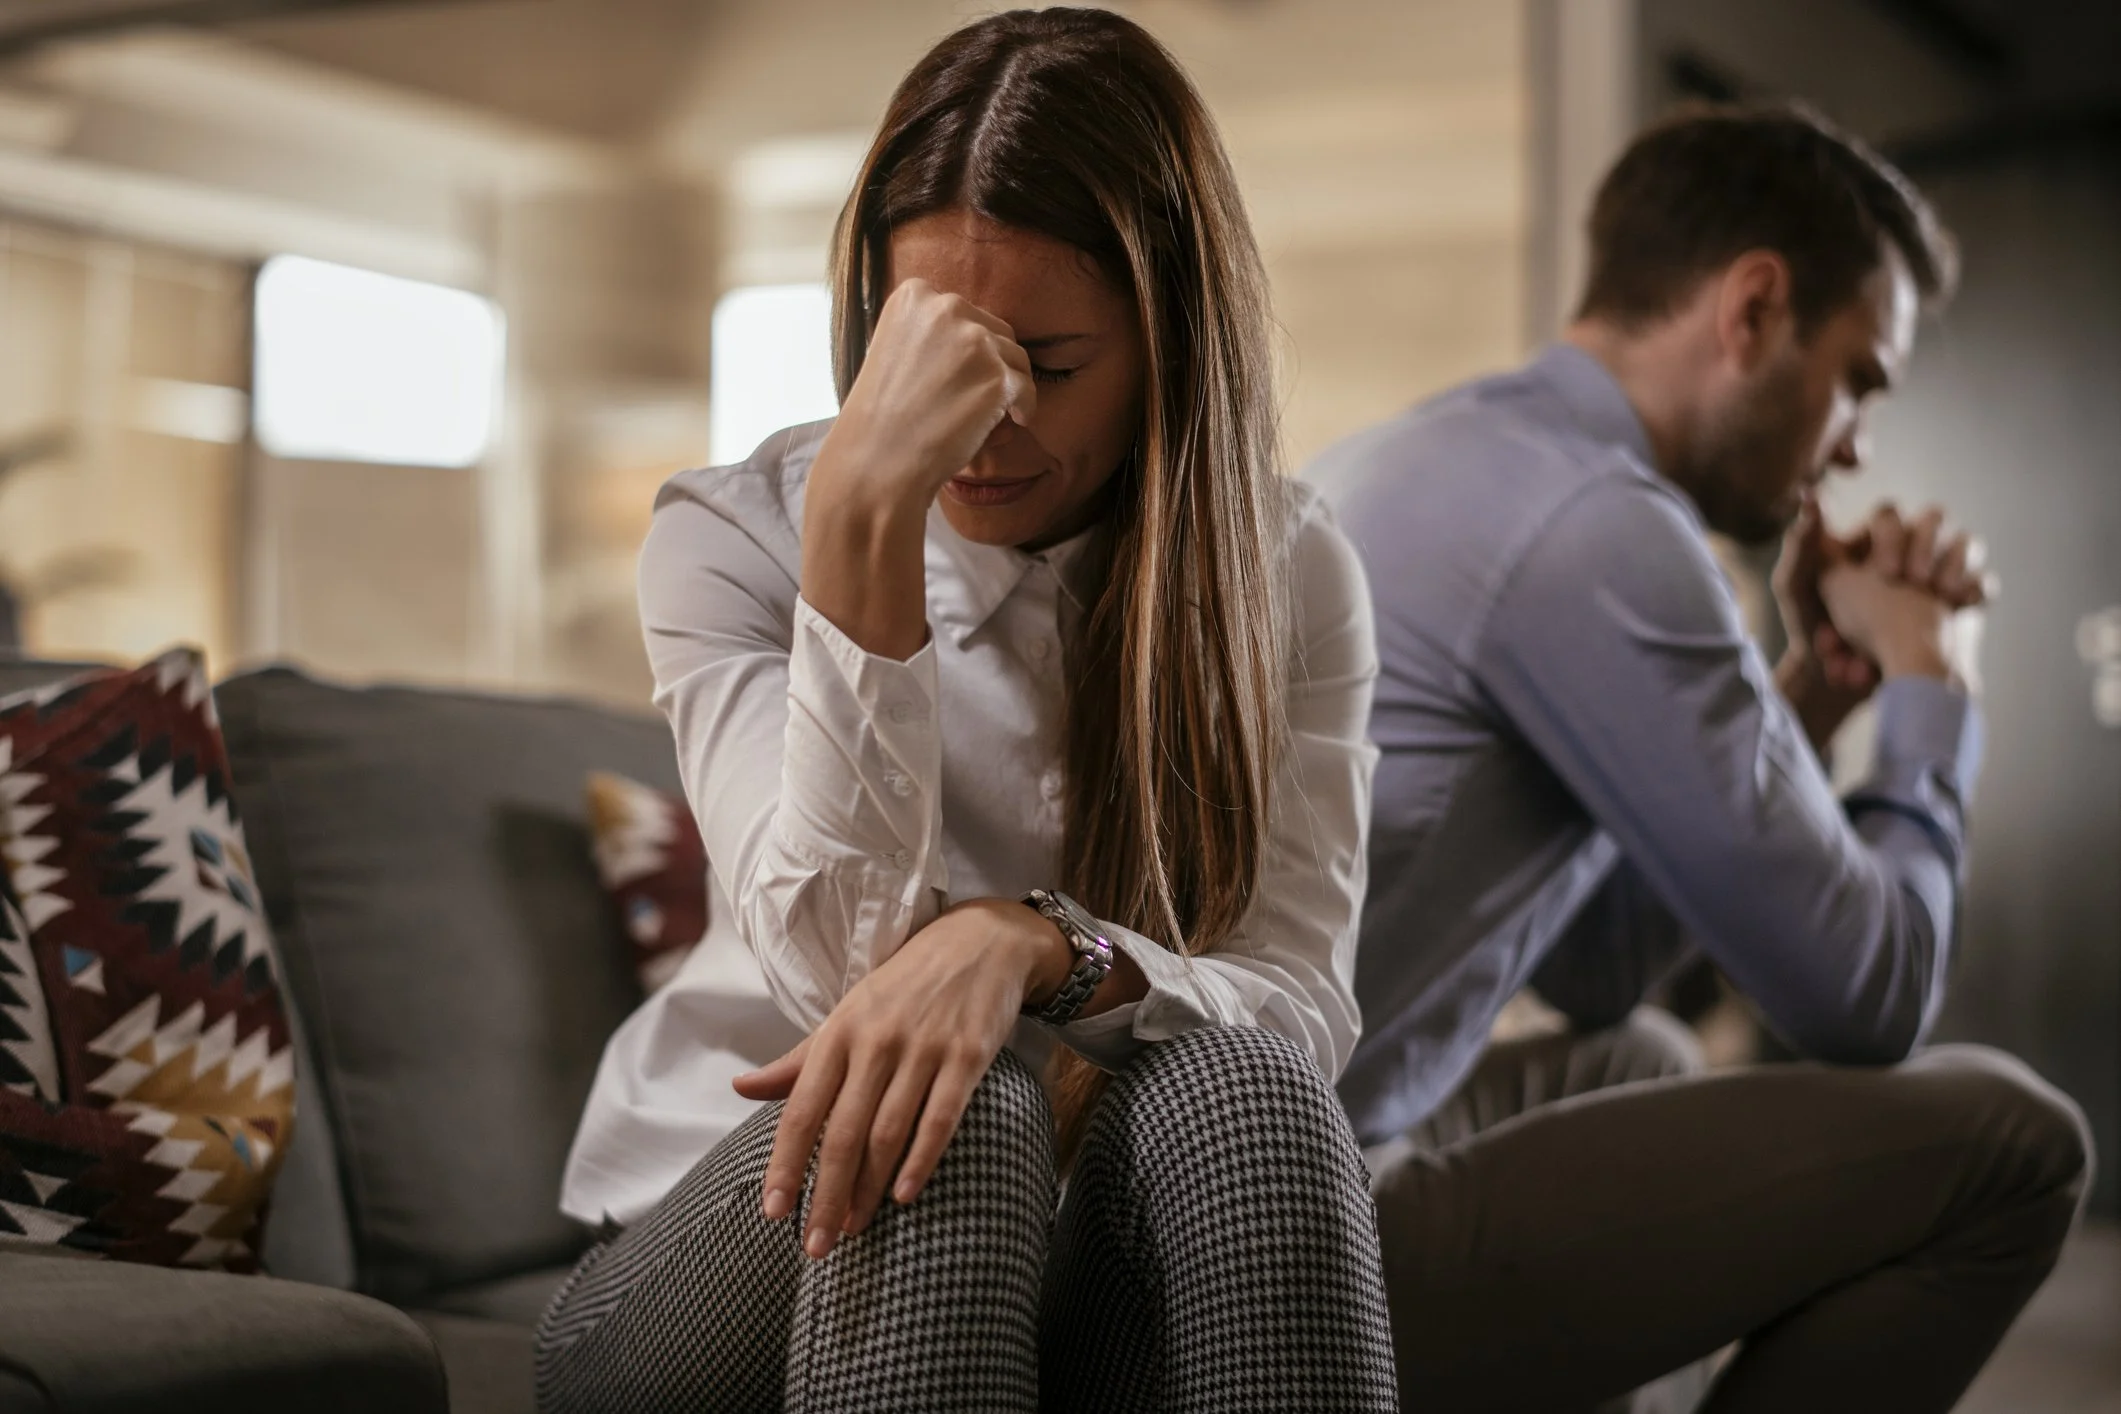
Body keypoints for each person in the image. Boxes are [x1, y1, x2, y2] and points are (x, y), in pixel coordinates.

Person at [537, 10, 1395, 1412]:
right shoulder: (733, 538)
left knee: (1257, 1095)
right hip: (701, 1262)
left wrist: (1034, 945)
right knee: (953, 1107)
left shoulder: (1290, 574)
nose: (982, 428)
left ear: (1167, 348)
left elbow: (1298, 1003)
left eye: (1047, 369)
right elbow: (838, 974)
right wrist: (864, 521)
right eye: (935, 352)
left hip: (1069, 1243)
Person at [1306, 104, 2092, 1413]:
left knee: (1641, 1053)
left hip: (1247, 1135)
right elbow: (1869, 996)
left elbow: (1599, 969)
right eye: (1860, 379)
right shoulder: (1600, 527)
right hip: (1269, 1232)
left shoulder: (1446, 452)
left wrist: (1802, 700)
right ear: (1752, 310)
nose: (1855, 443)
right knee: (2017, 1140)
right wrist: (1931, 682)